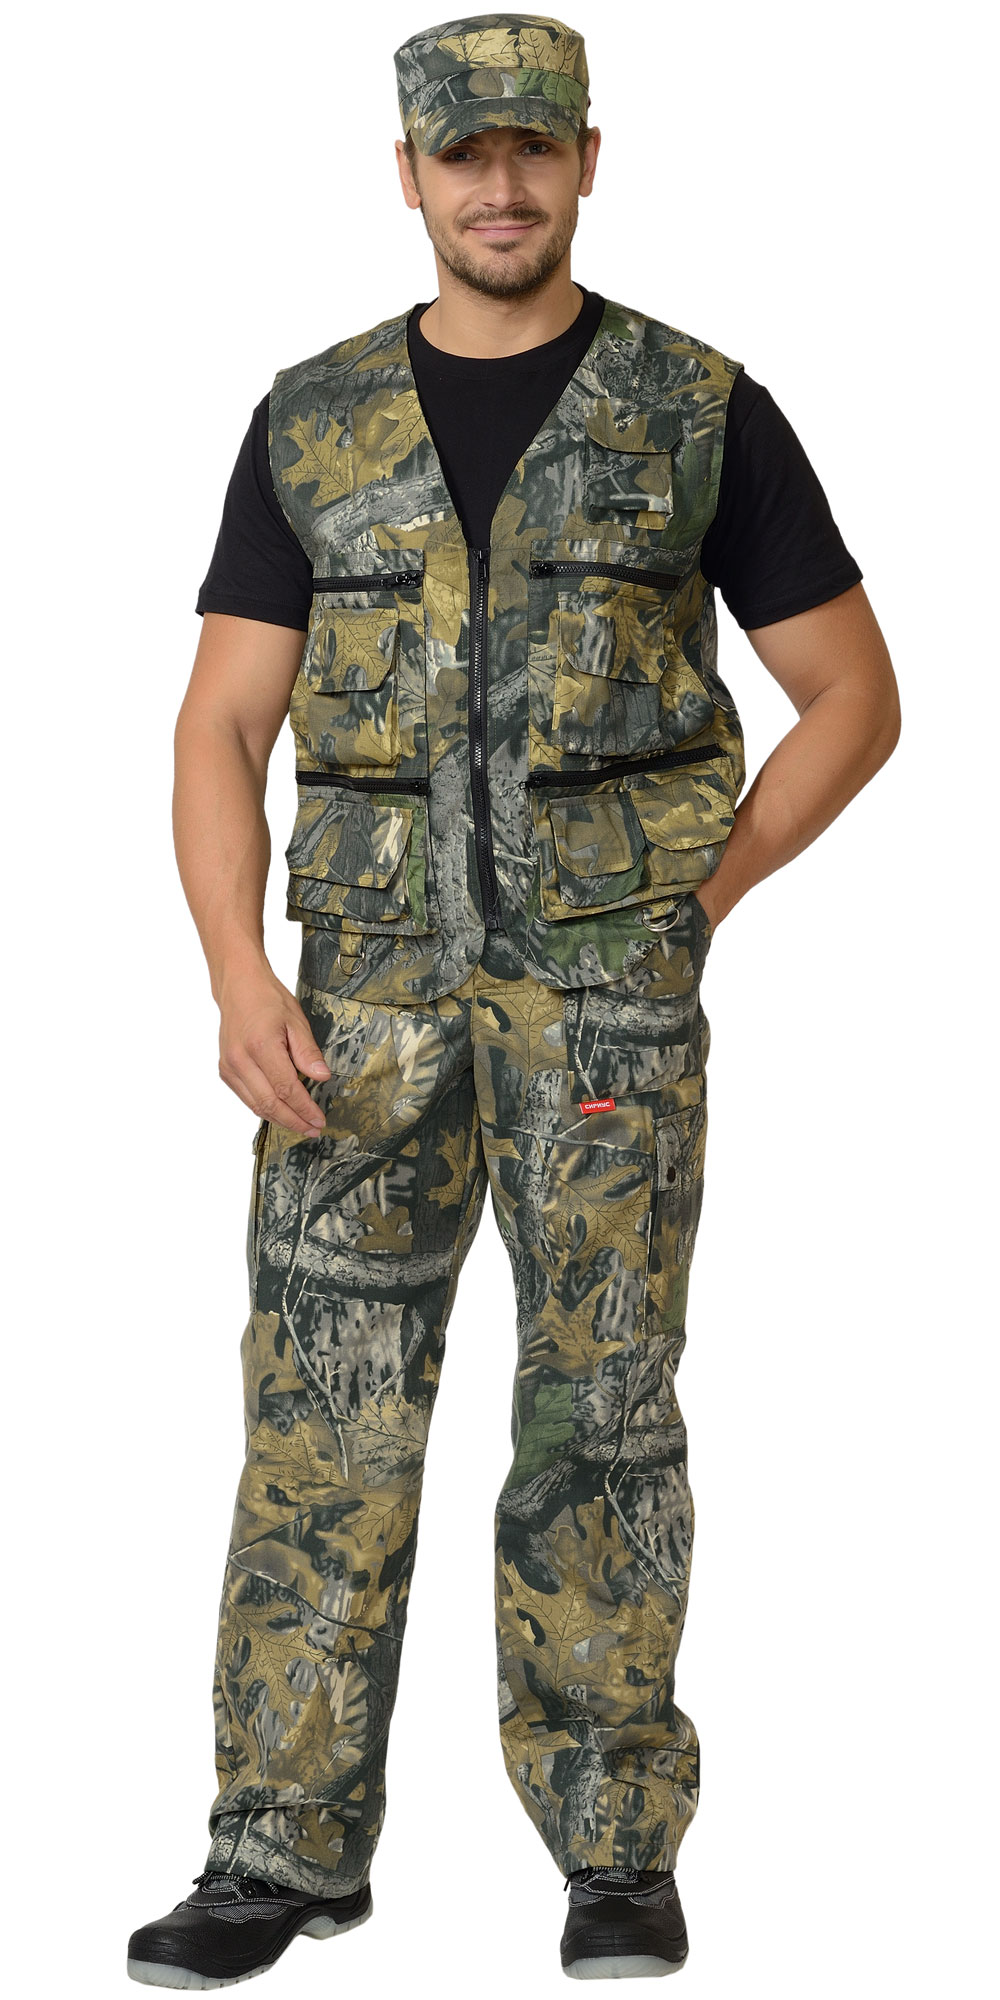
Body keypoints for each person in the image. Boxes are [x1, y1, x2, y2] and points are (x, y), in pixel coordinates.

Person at [127, 10, 900, 1988]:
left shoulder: (693, 407)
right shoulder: (312, 421)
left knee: (601, 1414)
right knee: (321, 1418)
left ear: (585, 161)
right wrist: (234, 971)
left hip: (604, 1027)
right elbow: (221, 723)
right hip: (356, 1027)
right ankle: (280, 1851)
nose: (499, 185)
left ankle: (614, 1852)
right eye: (461, 153)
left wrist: (693, 900)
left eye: (531, 149)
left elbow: (850, 697)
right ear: (406, 174)